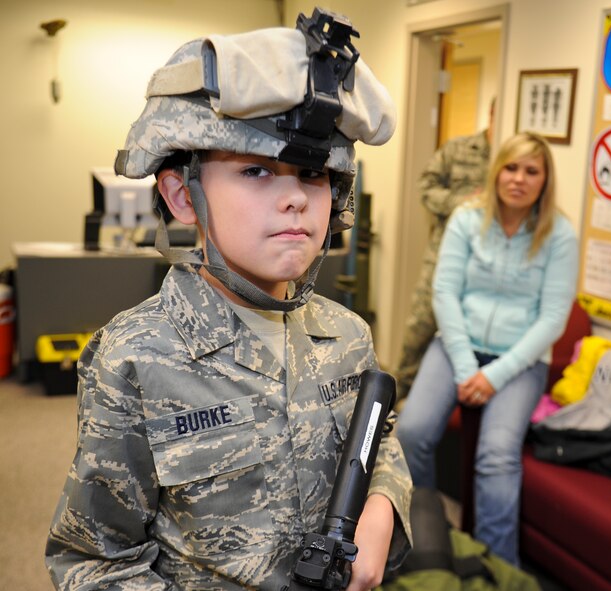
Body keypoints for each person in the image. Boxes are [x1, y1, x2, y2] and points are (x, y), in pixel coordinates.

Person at [45, 10, 412, 590]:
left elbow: (377, 442)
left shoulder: (348, 335)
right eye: (256, 171)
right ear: (182, 198)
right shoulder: (133, 358)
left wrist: (382, 507)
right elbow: (93, 563)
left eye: (312, 176)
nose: (294, 197)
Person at [396, 132, 579, 566]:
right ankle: (429, 540)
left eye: (531, 171)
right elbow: (445, 294)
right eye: (511, 168)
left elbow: (552, 319)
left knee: (497, 459)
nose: (519, 179)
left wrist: (492, 377)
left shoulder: (560, 235)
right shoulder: (467, 218)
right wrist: (464, 367)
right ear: (497, 172)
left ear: (544, 180)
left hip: (520, 362)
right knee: (411, 432)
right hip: (456, 347)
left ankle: (498, 569)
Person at [394, 99, 495, 403]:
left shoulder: (511, 160)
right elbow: (425, 187)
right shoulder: (459, 149)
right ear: (491, 112)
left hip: (486, 265)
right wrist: (461, 203)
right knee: (420, 328)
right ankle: (396, 396)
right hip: (442, 255)